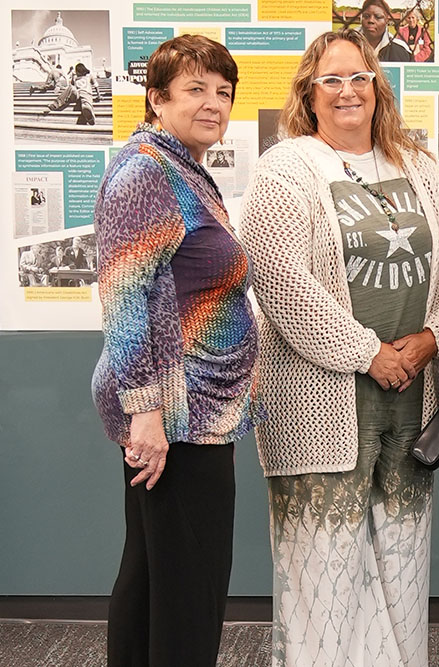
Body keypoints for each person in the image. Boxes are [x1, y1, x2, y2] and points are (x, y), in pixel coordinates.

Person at [239, 29, 439, 666]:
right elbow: (281, 279)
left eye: (360, 78)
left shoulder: (416, 163)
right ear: (309, 95)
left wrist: (430, 339)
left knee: (401, 555)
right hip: (318, 404)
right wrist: (369, 352)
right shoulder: (286, 166)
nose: (348, 91)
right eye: (332, 80)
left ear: (378, 88)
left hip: (410, 397)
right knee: (322, 563)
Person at [90, 35, 259, 666]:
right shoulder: (144, 171)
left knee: (155, 576)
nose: (214, 103)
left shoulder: (180, 165)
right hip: (178, 418)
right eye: (196, 89)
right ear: (157, 99)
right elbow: (125, 302)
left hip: (187, 411)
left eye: (223, 91)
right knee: (190, 587)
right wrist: (147, 415)